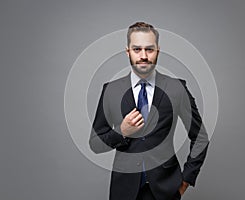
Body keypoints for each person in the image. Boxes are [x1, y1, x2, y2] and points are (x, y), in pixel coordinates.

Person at [89, 22, 209, 200]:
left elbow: (200, 138)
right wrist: (121, 132)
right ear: (128, 51)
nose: (143, 56)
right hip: (124, 190)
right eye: (137, 49)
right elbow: (95, 143)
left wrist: (186, 180)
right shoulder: (111, 91)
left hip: (166, 190)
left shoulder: (177, 88)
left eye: (149, 49)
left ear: (158, 51)